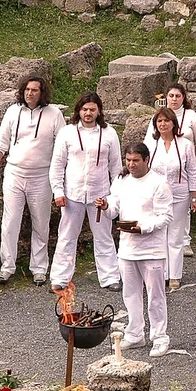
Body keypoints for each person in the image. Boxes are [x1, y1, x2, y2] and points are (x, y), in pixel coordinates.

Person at [0, 75, 66, 286]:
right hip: (15, 173)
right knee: (10, 222)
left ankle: (39, 268)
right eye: (27, 89)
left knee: (41, 222)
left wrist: (61, 176)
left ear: (42, 93)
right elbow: (1, 143)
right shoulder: (13, 111)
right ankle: (7, 267)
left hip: (41, 176)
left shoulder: (54, 114)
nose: (30, 93)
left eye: (34, 90)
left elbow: (62, 146)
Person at [97, 143, 174, 357]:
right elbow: (114, 209)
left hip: (152, 250)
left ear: (146, 160)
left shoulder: (159, 183)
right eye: (128, 160)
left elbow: (166, 216)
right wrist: (105, 206)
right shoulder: (121, 181)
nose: (131, 164)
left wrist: (144, 227)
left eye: (136, 160)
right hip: (127, 248)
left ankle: (160, 337)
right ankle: (135, 334)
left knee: (155, 296)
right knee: (130, 294)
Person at [49, 92, 122, 291]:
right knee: (66, 236)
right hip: (72, 193)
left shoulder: (109, 134)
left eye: (92, 109)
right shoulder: (67, 133)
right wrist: (58, 191)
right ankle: (60, 278)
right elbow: (57, 165)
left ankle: (110, 277)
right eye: (84, 109)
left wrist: (114, 197)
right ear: (78, 111)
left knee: (103, 236)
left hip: (100, 194)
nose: (88, 113)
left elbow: (116, 168)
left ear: (99, 111)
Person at [147, 83, 196, 257]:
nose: (174, 99)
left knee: (182, 211)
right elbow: (148, 142)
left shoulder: (191, 116)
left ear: (183, 98)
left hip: (183, 165)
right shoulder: (157, 120)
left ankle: (184, 241)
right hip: (161, 175)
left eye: (177, 96)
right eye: (171, 95)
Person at [144, 107, 196, 289]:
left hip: (179, 194)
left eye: (166, 121)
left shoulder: (185, 145)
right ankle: (160, 273)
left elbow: (192, 171)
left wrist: (195, 196)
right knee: (158, 234)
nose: (163, 124)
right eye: (159, 121)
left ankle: (174, 274)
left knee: (175, 235)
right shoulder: (150, 145)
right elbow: (143, 170)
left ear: (173, 123)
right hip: (156, 196)